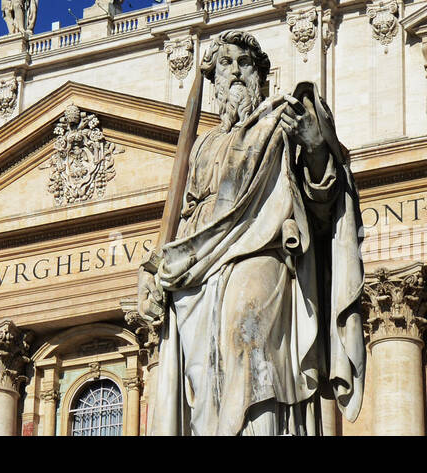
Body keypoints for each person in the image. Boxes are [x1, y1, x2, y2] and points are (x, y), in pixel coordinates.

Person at [140, 30, 365, 435]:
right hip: (199, 267)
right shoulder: (203, 145)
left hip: (262, 247)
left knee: (250, 342)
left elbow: (323, 199)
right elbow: (183, 213)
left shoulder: (281, 121)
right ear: (215, 84)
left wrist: (314, 148)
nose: (236, 73)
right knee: (204, 373)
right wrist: (156, 268)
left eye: (245, 64)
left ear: (262, 76)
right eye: (225, 65)